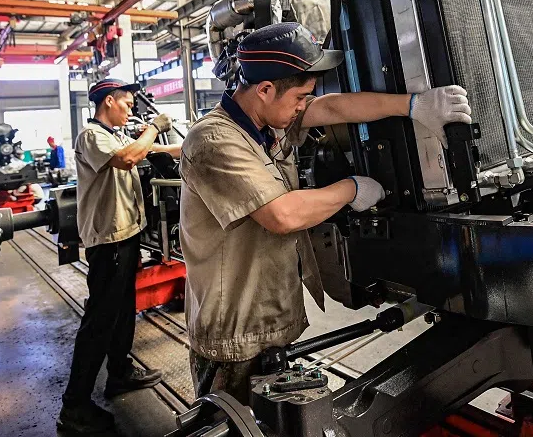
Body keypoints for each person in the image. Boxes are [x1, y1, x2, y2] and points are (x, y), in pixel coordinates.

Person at [179, 22, 471, 404]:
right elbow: (282, 215)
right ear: (265, 90)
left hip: (270, 318)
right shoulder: (215, 140)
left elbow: (333, 107)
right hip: (236, 334)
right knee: (234, 426)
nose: (304, 106)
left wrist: (414, 106)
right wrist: (351, 188)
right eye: (300, 97)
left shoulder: (266, 123)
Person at [58, 78, 182, 435]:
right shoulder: (92, 136)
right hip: (108, 243)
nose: (129, 109)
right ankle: (75, 406)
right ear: (108, 101)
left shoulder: (116, 136)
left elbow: (155, 153)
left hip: (126, 238)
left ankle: (119, 372)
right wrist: (154, 128)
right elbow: (129, 159)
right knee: (100, 320)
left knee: (124, 308)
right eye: (126, 103)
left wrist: (191, 142)